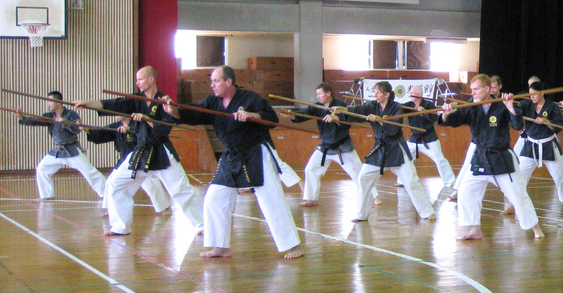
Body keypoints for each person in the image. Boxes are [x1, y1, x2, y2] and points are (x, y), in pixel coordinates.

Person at [166, 65, 303, 259]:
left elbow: (271, 118)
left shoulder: (250, 99)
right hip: (231, 156)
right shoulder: (213, 102)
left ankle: (293, 245)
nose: (212, 85)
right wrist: (174, 111)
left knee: (271, 200)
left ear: (228, 81)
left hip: (256, 153)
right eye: (211, 81)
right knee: (214, 199)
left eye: (216, 81)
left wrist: (253, 116)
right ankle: (221, 247)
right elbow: (193, 113)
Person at [76, 66, 204, 236]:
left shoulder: (163, 101)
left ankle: (202, 225)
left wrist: (147, 119)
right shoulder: (136, 100)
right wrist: (88, 104)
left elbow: (163, 129)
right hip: (140, 152)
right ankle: (120, 227)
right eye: (137, 80)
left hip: (161, 152)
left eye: (140, 79)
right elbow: (112, 104)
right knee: (116, 184)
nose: (137, 83)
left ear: (151, 79)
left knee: (181, 189)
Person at [440, 74, 543, 240]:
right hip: (480, 157)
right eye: (471, 89)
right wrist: (446, 114)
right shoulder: (471, 107)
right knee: (466, 191)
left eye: (475, 89)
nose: (472, 92)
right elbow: (453, 120)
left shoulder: (501, 106)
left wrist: (510, 106)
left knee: (517, 194)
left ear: (487, 89)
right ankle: (475, 229)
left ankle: (535, 227)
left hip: (501, 158)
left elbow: (518, 126)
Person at [351, 81, 437, 223]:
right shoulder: (372, 105)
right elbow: (356, 110)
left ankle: (427, 211)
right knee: (364, 178)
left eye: (378, 92)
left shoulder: (396, 108)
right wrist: (341, 110)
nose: (375, 95)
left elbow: (392, 130)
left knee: (410, 181)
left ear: (387, 94)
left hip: (396, 148)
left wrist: (380, 121)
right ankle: (361, 214)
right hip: (379, 148)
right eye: (375, 92)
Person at [284, 82, 370, 215]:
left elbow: (345, 121)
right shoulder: (317, 107)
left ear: (328, 93)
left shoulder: (340, 105)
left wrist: (335, 117)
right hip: (325, 146)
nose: (318, 96)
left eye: (320, 93)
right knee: (310, 169)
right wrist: (291, 115)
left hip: (342, 146)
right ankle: (311, 198)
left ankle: (372, 196)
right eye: (317, 94)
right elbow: (304, 114)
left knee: (357, 172)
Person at [19, 91, 107, 200]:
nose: (48, 104)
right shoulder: (49, 116)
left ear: (59, 102)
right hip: (58, 151)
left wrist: (65, 122)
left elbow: (76, 129)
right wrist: (21, 117)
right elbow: (35, 121)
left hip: (72, 150)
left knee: (89, 171)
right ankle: (47, 196)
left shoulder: (71, 114)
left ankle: (106, 193)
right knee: (42, 169)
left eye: (50, 101)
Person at [86, 118, 172, 214]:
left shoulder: (138, 125)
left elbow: (147, 136)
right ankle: (110, 208)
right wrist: (86, 130)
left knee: (150, 183)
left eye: (119, 112)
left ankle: (164, 207)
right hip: (124, 160)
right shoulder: (116, 126)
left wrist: (131, 131)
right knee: (111, 181)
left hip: (140, 158)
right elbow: (100, 135)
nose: (117, 116)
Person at [514, 81, 563, 212]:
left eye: (535, 94)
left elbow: (558, 126)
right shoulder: (526, 105)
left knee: (559, 176)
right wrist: (508, 104)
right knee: (521, 176)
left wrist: (547, 122)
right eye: (530, 94)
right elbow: (516, 113)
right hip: (530, 145)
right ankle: (512, 205)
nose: (532, 97)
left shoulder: (552, 107)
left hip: (548, 145)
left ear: (542, 93)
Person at [402, 85, 456, 187]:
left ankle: (450, 180)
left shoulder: (429, 105)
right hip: (414, 138)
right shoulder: (408, 105)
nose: (410, 95)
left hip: (429, 138)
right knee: (405, 158)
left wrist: (424, 112)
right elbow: (398, 109)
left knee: (439, 158)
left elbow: (434, 119)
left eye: (412, 93)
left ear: (419, 95)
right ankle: (402, 180)